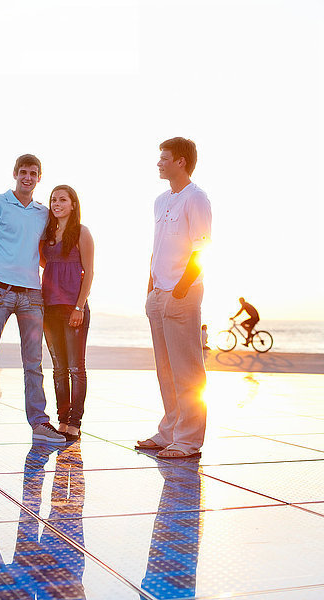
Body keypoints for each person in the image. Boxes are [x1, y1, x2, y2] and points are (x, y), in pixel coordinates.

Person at [0, 154, 65, 446]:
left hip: (32, 296)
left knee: (33, 362)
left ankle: (39, 423)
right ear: (15, 173)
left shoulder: (43, 213)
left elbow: (48, 254)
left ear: (39, 178)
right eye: (23, 172)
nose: (28, 177)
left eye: (33, 173)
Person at [137, 137, 212, 458]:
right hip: (158, 293)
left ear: (181, 161)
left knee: (188, 369)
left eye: (164, 158)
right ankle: (169, 430)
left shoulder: (197, 198)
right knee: (165, 369)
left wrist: (179, 290)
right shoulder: (160, 200)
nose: (158, 163)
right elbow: (157, 248)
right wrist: (152, 287)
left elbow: (203, 248)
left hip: (183, 293)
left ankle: (189, 440)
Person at [41, 185, 94, 442]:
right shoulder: (48, 233)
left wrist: (78, 306)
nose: (57, 203)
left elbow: (90, 272)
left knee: (76, 368)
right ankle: (62, 421)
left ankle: (75, 423)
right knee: (59, 369)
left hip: (73, 308)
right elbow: (45, 261)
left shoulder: (82, 233)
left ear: (73, 204)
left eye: (62, 199)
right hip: (48, 308)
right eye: (53, 199)